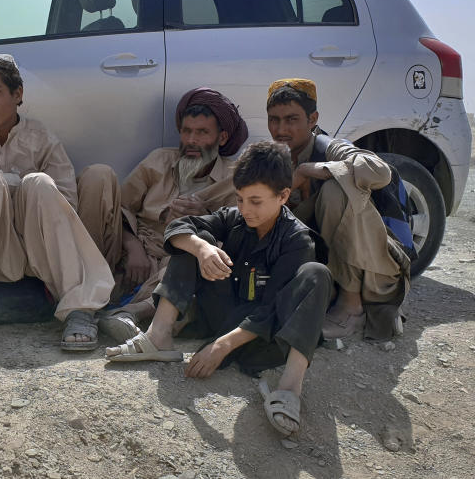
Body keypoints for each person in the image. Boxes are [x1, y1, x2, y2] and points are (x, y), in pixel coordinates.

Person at [106, 141, 331, 438]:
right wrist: (202, 248)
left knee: (317, 274)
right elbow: (178, 228)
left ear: (283, 196)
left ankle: (289, 389)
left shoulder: (297, 240)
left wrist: (221, 346)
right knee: (191, 240)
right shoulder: (236, 218)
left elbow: (272, 310)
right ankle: (158, 336)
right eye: (239, 199)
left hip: (265, 338)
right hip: (223, 317)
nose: (245, 210)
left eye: (256, 201)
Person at [0, 54, 114, 357]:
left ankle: (79, 308)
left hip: (39, 247)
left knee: (39, 183)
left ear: (17, 94)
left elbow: (65, 203)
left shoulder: (41, 137)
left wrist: (14, 181)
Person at [77, 88, 248, 342]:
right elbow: (120, 209)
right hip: (129, 253)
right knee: (98, 174)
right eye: (186, 131)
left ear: (221, 138)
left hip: (176, 261)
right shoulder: (158, 161)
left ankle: (130, 314)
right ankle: (80, 289)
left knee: (207, 248)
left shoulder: (232, 179)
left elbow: (239, 232)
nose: (191, 140)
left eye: (202, 133)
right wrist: (132, 246)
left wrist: (205, 217)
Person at [266, 78, 409, 340]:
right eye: (274, 120)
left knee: (335, 190)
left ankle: (351, 307)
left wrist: (313, 171)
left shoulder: (330, 147)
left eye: (291, 119)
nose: (281, 129)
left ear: (312, 120)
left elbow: (380, 172)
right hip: (325, 268)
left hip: (375, 271)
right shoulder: (277, 159)